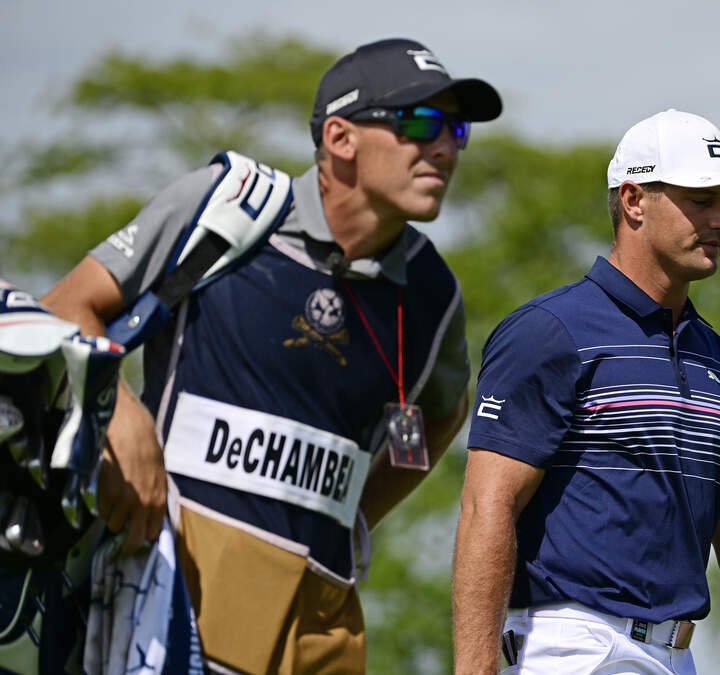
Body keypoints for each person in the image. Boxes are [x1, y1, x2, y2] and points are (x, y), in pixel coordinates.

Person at [41, 37, 501, 673]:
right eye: (419, 123)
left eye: (456, 128)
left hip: (321, 620)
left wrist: (358, 517)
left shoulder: (432, 293)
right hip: (170, 590)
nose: (445, 147)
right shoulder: (226, 208)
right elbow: (65, 308)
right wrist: (121, 414)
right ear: (340, 138)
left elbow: (442, 412)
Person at [453, 109, 720, 675]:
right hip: (573, 648)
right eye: (701, 200)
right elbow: (488, 505)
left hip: (674, 656)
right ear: (633, 200)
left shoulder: (713, 355)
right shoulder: (551, 332)